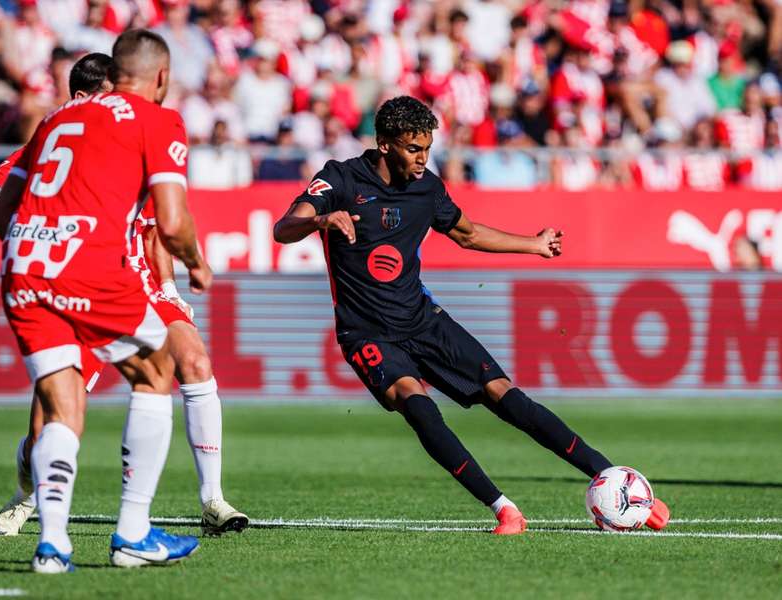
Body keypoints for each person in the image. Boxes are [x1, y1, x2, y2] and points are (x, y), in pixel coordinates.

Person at [273, 96, 670, 535]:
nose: (422, 159)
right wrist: (321, 222)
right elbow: (284, 227)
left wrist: (533, 245)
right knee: (417, 405)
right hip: (366, 332)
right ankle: (504, 508)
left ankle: (622, 486)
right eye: (412, 148)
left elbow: (468, 233)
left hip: (424, 319)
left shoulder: (427, 188)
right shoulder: (341, 178)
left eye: (427, 148)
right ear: (385, 145)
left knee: (507, 397)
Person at [0, 52, 247, 543]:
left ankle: (212, 500)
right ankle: (29, 494)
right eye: (113, 95)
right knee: (52, 423)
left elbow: (155, 226)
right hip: (77, 278)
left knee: (191, 360)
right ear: (87, 97)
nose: (122, 105)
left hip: (135, 278)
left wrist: (169, 288)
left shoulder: (131, 138)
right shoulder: (50, 138)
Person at [0, 29, 208, 573]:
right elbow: (172, 223)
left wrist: (43, 246)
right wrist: (197, 263)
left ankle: (54, 545)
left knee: (62, 406)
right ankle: (133, 532)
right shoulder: (157, 119)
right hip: (87, 267)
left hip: (23, 265)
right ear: (161, 77)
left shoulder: (56, 117)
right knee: (157, 368)